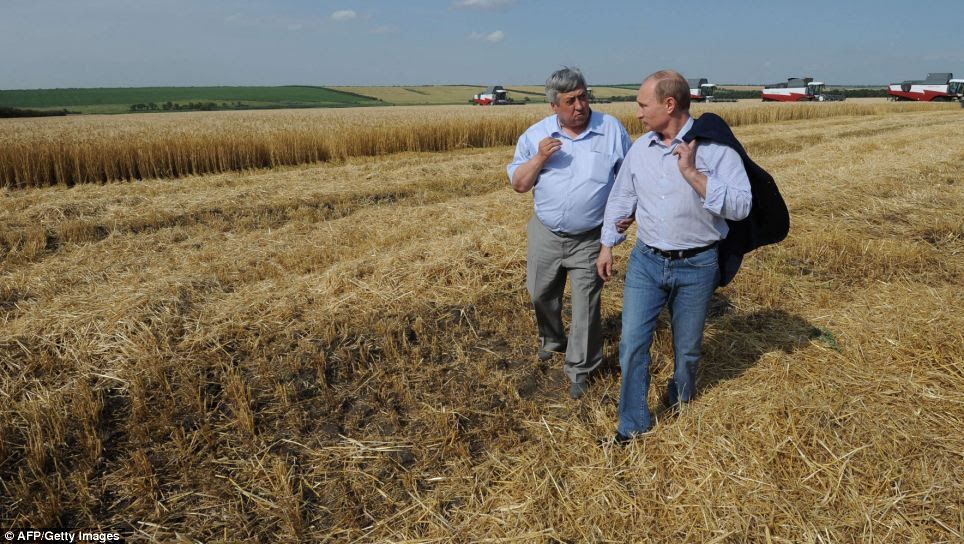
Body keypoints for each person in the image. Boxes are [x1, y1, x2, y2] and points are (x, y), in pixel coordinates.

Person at [596, 70, 752, 442]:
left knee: (688, 350)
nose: (637, 114)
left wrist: (692, 174)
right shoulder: (639, 149)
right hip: (647, 261)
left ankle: (680, 398)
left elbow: (742, 206)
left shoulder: (715, 149)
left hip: (698, 265)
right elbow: (622, 198)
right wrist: (607, 244)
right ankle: (632, 426)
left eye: (642, 105)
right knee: (633, 343)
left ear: (669, 105)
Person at [508, 67, 632, 400]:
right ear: (554, 106)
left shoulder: (611, 130)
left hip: (590, 237)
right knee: (539, 292)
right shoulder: (537, 135)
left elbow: (628, 181)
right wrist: (539, 158)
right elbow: (519, 185)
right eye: (570, 101)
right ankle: (552, 339)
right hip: (545, 232)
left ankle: (581, 368)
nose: (579, 106)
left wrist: (622, 222)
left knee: (586, 307)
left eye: (583, 97)